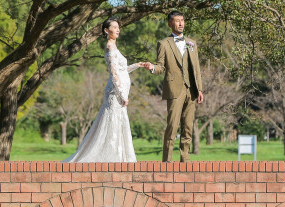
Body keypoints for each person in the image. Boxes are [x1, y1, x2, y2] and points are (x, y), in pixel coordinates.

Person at [63, 18, 153, 163]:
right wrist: (122, 94)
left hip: (120, 90)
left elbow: (123, 71)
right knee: (112, 120)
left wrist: (138, 65)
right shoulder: (110, 47)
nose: (118, 29)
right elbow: (114, 73)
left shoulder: (115, 47)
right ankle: (110, 158)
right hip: (115, 92)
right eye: (115, 27)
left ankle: (120, 157)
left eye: (119, 27)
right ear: (106, 30)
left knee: (119, 120)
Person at [151, 11, 204, 162]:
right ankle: (167, 160)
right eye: (177, 21)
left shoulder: (191, 43)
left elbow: (196, 69)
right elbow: (161, 66)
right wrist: (153, 68)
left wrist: (199, 89)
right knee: (172, 126)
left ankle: (185, 159)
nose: (180, 23)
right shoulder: (163, 44)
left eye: (182, 20)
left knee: (188, 127)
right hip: (174, 89)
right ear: (170, 24)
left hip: (191, 90)